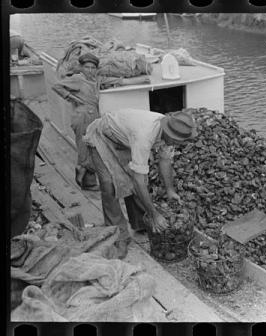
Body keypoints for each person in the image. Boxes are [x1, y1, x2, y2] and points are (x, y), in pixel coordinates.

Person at [83, 108, 197, 258]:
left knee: (135, 178)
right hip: (102, 137)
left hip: (124, 141)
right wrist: (154, 214)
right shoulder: (145, 136)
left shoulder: (170, 129)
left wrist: (170, 190)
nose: (180, 144)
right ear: (171, 135)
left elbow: (165, 160)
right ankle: (118, 236)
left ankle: (140, 223)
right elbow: (138, 181)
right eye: (179, 142)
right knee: (109, 185)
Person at [52, 53, 150, 190]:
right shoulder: (77, 79)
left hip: (93, 116)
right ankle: (85, 179)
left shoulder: (97, 79)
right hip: (82, 116)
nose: (90, 70)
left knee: (92, 146)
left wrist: (143, 80)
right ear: (81, 67)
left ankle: (84, 174)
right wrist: (70, 97)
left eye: (93, 67)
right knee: (84, 148)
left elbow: (120, 81)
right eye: (87, 67)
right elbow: (56, 86)